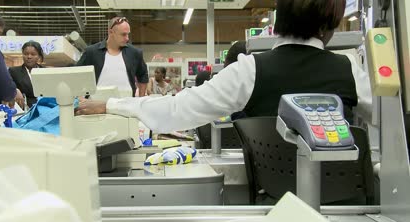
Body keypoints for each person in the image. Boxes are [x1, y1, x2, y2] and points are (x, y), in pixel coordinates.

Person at [75, 0, 371, 134]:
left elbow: (175, 111)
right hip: (344, 201)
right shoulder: (350, 71)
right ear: (329, 24)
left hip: (271, 202)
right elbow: (391, 121)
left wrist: (110, 104)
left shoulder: (250, 69)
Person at [76, 17, 148, 97]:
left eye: (128, 34)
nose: (127, 38)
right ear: (111, 32)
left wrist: (140, 99)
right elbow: (76, 74)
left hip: (126, 103)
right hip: (96, 104)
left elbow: (143, 75)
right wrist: (80, 98)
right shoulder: (91, 52)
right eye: (123, 34)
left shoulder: (134, 53)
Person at [9, 41, 45, 108]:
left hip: (45, 109)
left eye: (33, 54)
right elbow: (6, 85)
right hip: (24, 110)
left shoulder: (46, 71)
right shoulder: (14, 71)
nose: (29, 57)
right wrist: (15, 90)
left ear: (39, 56)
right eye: (26, 54)